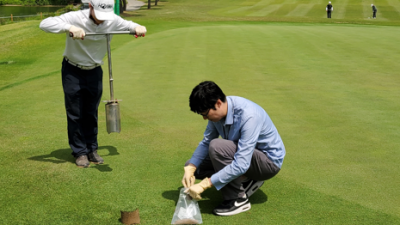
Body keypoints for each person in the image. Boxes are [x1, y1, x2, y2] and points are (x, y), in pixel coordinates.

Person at [39, 0, 146, 168]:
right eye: (99, 15)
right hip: (73, 70)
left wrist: (139, 28)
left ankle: (91, 149)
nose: (102, 20)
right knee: (75, 113)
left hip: (95, 70)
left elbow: (131, 25)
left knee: (91, 112)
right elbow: (45, 24)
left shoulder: (112, 19)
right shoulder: (75, 17)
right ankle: (79, 152)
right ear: (90, 7)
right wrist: (70, 28)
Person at [182, 81, 286, 216]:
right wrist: (191, 167)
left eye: (205, 113)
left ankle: (238, 199)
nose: (204, 118)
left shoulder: (249, 115)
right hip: (246, 156)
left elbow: (241, 164)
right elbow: (206, 142)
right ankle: (245, 180)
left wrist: (205, 184)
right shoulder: (218, 114)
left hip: (268, 163)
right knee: (197, 165)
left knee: (217, 147)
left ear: (218, 103)